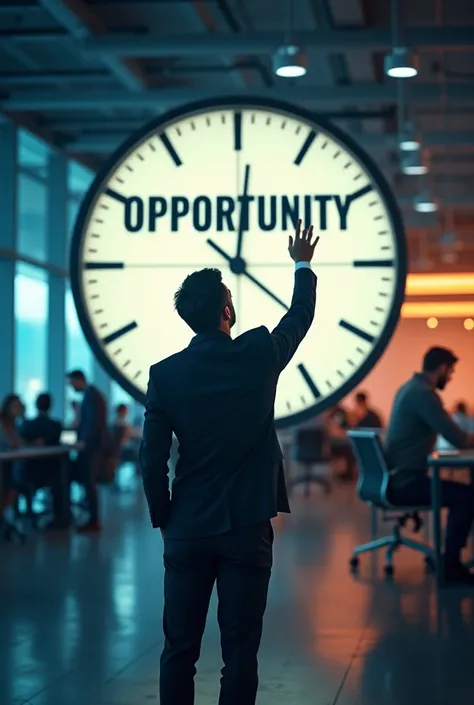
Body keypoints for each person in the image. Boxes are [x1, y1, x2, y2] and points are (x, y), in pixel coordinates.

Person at [140, 221, 318, 705]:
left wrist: (164, 518)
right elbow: (299, 317)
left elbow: (151, 460)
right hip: (246, 524)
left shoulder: (166, 374)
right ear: (227, 310)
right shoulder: (258, 353)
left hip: (187, 527)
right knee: (241, 650)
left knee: (179, 647)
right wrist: (302, 263)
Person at [385, 347, 474, 585]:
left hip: (396, 477)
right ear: (442, 368)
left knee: (463, 493)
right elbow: (459, 439)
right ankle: (451, 567)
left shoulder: (408, 388)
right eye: (451, 372)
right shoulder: (424, 394)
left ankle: (448, 560)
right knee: (466, 497)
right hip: (406, 482)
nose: (451, 377)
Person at [66, 370, 107, 533]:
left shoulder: (91, 396)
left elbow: (93, 422)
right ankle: (92, 519)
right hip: (92, 445)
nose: (71, 387)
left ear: (79, 380)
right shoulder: (92, 395)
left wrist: (83, 441)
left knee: (89, 483)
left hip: (91, 446)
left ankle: (93, 521)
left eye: (71, 383)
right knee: (88, 482)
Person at [19, 393, 66, 528]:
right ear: (51, 406)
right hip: (52, 473)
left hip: (31, 472)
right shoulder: (56, 426)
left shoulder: (28, 425)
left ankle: (27, 511)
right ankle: (60, 516)